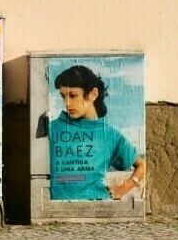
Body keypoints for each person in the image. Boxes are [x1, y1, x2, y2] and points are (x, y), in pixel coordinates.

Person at [48, 64, 145, 201]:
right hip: (55, 211)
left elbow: (141, 166)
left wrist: (122, 189)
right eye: (63, 96)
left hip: (97, 208)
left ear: (93, 94)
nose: (67, 103)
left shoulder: (111, 134)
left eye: (73, 95)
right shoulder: (53, 128)